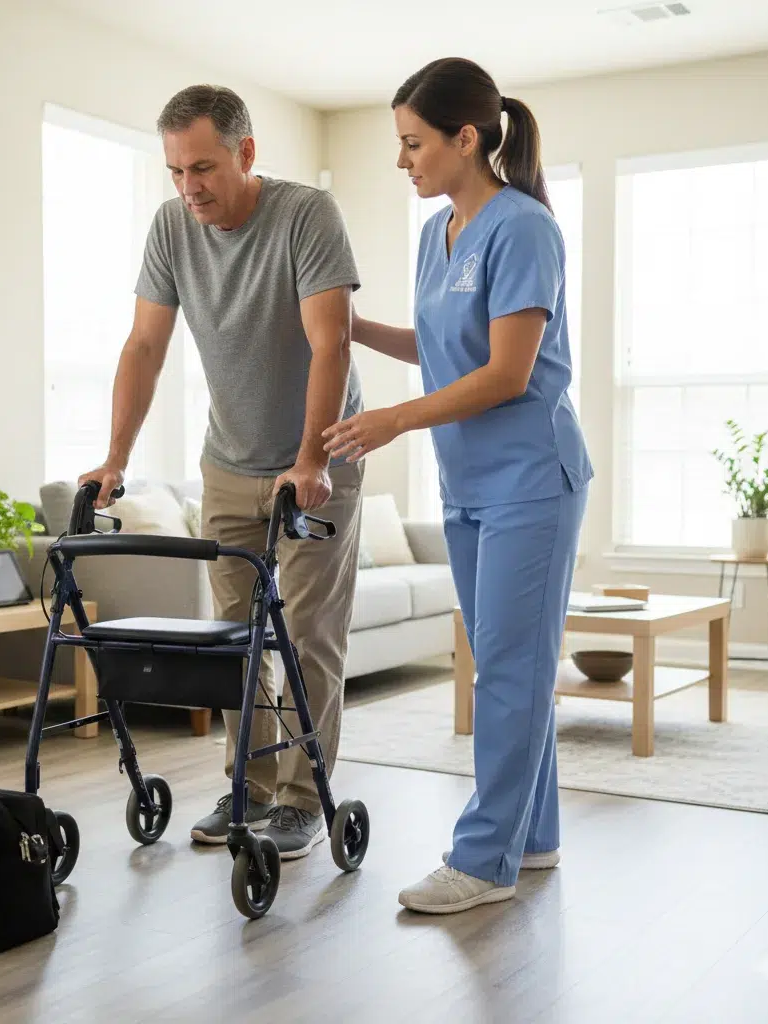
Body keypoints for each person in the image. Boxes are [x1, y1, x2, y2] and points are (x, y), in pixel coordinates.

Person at [323, 57, 593, 914]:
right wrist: (355, 327)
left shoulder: (524, 229)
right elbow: (446, 346)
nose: (403, 161)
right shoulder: (435, 233)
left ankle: (481, 860)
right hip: (467, 481)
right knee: (504, 665)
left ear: (464, 139)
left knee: (507, 670)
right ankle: (534, 836)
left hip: (530, 480)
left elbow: (508, 374)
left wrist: (394, 422)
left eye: (413, 144)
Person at [80, 85, 365, 860]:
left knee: (307, 635)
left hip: (314, 462)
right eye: (175, 170)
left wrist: (311, 461)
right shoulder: (172, 227)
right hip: (228, 462)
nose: (188, 186)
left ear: (245, 153)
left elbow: (330, 342)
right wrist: (115, 457)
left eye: (201, 167)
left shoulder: (306, 216)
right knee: (237, 642)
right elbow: (144, 345)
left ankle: (303, 800)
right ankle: (252, 786)